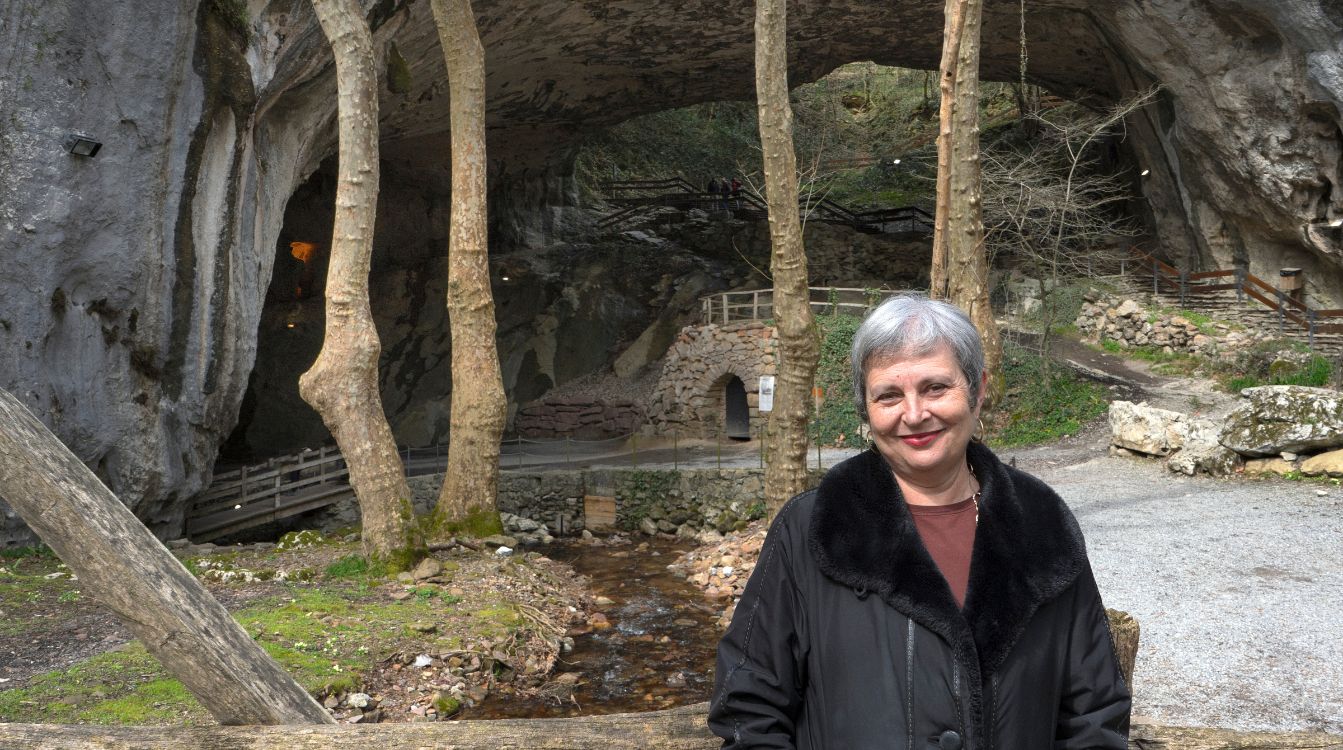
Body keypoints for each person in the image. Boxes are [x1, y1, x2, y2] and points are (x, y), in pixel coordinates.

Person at [708, 294, 1130, 749]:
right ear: (866, 409)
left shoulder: (1040, 524)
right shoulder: (812, 527)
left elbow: (1094, 713)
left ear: (978, 388)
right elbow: (748, 708)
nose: (913, 414)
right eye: (889, 394)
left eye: (935, 387)